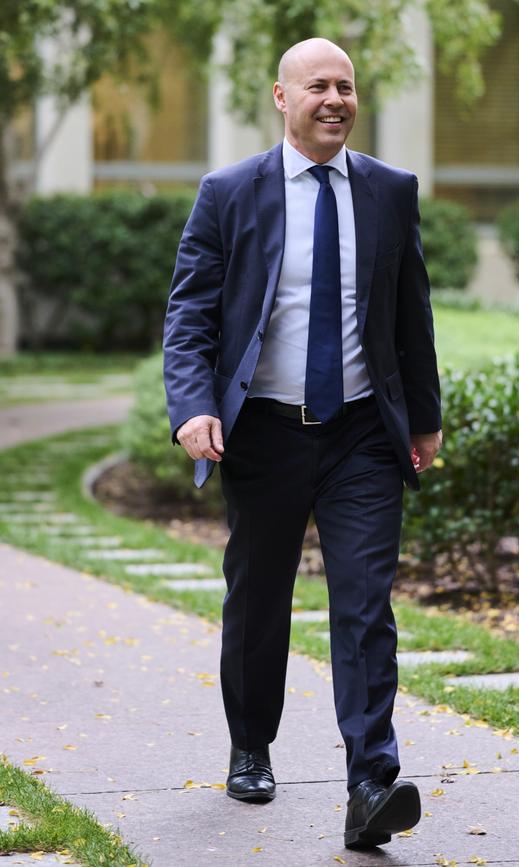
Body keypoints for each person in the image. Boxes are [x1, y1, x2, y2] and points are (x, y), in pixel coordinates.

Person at [163, 37, 443, 850]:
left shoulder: (391, 191)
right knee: (258, 598)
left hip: (362, 431)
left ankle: (370, 781)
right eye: (317, 85)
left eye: (346, 86)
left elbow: (410, 314)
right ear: (281, 99)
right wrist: (192, 407)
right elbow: (190, 315)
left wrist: (422, 418)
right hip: (264, 430)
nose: (334, 98)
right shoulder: (229, 192)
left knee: (365, 604)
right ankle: (251, 742)